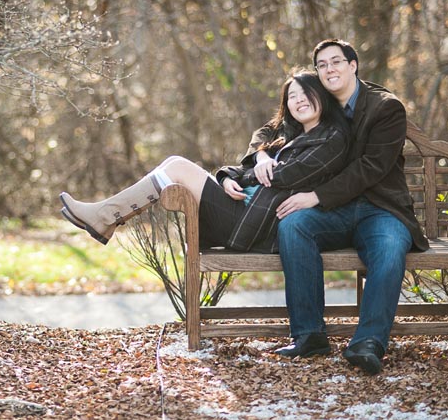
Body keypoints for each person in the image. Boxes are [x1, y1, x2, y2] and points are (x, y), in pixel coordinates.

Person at [253, 39, 429, 374]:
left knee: (391, 248)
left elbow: (371, 167)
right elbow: (270, 127)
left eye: (336, 62)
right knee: (293, 226)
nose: (329, 69)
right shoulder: (319, 98)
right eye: (322, 64)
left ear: (353, 65)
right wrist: (261, 153)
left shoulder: (385, 108)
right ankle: (309, 336)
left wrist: (315, 197)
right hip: (335, 212)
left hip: (380, 207)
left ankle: (368, 343)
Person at [59, 70, 351, 254]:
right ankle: (105, 218)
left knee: (177, 167)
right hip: (245, 210)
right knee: (174, 163)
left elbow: (285, 176)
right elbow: (255, 153)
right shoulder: (291, 135)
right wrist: (228, 176)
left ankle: (105, 217)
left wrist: (251, 172)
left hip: (257, 226)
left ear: (322, 97)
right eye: (292, 97)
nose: (298, 101)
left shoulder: (330, 139)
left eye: (306, 94)